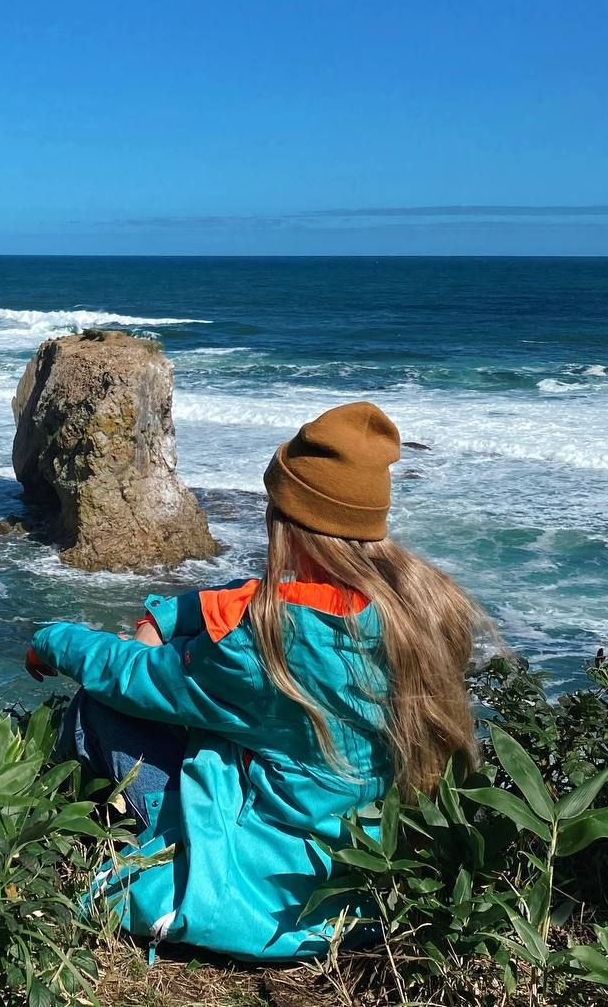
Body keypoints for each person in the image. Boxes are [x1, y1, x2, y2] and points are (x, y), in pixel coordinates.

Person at [25, 401, 485, 961]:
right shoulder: (421, 607)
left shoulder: (264, 646)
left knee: (98, 707)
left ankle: (63, 837)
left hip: (277, 889)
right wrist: (166, 616)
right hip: (369, 866)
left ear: (285, 519)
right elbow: (247, 597)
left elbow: (132, 676)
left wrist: (52, 638)